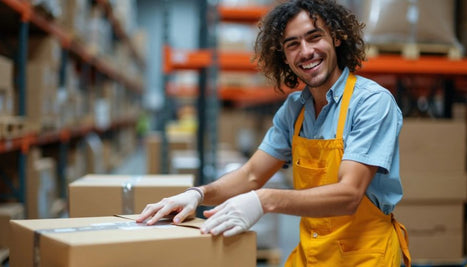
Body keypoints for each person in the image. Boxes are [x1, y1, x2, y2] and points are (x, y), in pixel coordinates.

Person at [137, 0, 411, 265]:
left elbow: (350, 195)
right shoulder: (295, 109)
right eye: (293, 44)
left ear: (337, 38)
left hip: (365, 256)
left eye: (314, 37)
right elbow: (252, 174)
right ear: (284, 57)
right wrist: (197, 193)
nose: (305, 51)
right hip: (313, 253)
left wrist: (265, 200)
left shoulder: (371, 103)